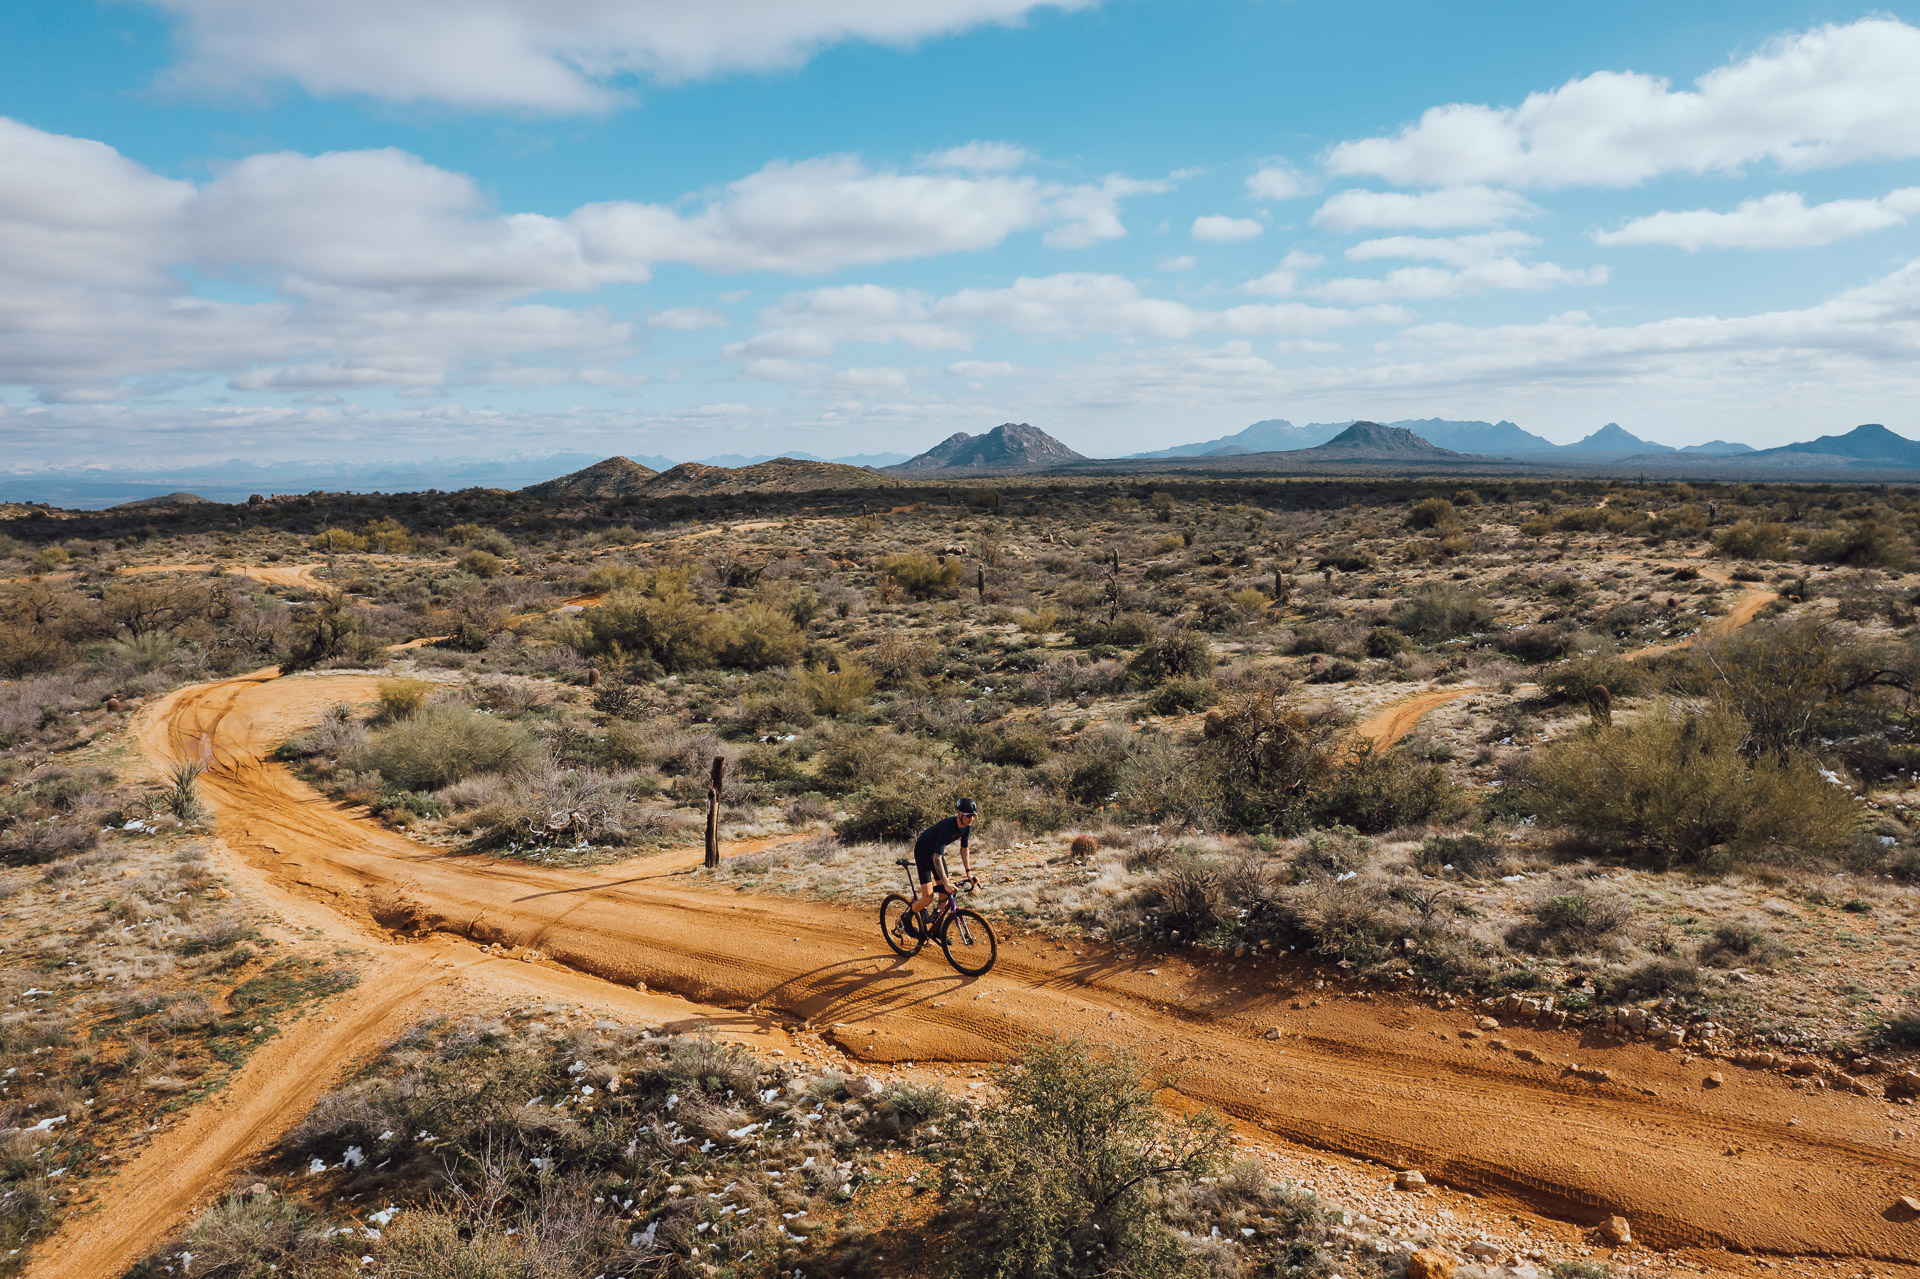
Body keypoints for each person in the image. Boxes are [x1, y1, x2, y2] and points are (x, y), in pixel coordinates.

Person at [906, 798, 980, 933]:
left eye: (974, 816)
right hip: (923, 853)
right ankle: (906, 918)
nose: (971, 819)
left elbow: (964, 848)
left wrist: (969, 872)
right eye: (969, 815)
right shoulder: (947, 826)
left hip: (935, 854)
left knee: (945, 894)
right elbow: (937, 857)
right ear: (959, 813)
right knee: (928, 898)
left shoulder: (967, 826)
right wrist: (946, 882)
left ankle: (936, 929)